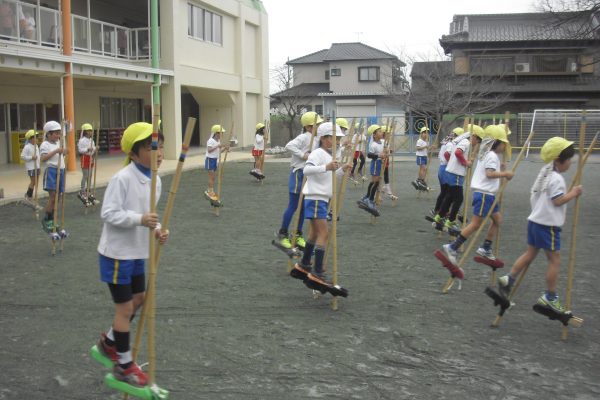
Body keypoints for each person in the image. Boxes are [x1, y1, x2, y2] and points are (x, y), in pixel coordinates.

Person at [94, 122, 169, 387]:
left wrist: (158, 229)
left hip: (139, 251)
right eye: (151, 146)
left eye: (160, 145)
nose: (159, 151)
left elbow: (151, 216)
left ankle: (109, 341)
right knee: (125, 308)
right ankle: (123, 365)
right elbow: (109, 213)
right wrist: (140, 219)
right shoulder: (122, 178)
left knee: (140, 298)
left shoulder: (156, 179)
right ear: (134, 152)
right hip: (116, 254)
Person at [497, 137, 581, 313]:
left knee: (530, 253)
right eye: (569, 160)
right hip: (547, 225)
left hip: (535, 221)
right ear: (559, 159)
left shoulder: (545, 172)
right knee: (554, 259)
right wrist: (573, 193)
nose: (571, 163)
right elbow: (558, 201)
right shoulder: (556, 178)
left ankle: (509, 278)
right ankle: (550, 297)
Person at [441, 125, 514, 265]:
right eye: (503, 143)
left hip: (488, 195)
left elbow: (491, 172)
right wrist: (505, 173)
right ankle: (452, 247)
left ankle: (485, 247)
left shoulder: (486, 154)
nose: (505, 147)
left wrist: (502, 170)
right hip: (484, 194)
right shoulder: (491, 155)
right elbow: (489, 174)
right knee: (475, 224)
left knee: (497, 220)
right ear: (496, 143)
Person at [291, 121, 350, 284]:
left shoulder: (329, 155)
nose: (338, 141)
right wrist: (326, 166)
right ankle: (317, 271)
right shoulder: (317, 153)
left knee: (314, 233)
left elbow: (330, 176)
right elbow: (307, 170)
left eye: (338, 138)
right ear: (324, 138)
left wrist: (341, 169)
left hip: (321, 198)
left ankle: (304, 263)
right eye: (335, 138)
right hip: (316, 197)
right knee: (324, 234)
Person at [276, 111, 322, 251]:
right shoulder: (304, 137)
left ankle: (297, 234)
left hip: (309, 175)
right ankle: (283, 233)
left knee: (303, 207)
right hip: (298, 174)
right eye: (317, 124)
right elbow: (289, 145)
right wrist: (303, 155)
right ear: (308, 127)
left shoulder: (316, 139)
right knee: (294, 205)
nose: (319, 126)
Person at [433, 125, 484, 232]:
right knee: (458, 198)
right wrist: (466, 163)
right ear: (473, 136)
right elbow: (457, 153)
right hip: (456, 173)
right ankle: (451, 221)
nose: (477, 143)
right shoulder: (466, 142)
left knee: (450, 197)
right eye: (478, 140)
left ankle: (439, 217)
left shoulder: (462, 141)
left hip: (453, 172)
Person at [39, 121, 66, 232]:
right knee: (53, 196)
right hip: (51, 171)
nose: (58, 135)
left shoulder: (59, 142)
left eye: (59, 133)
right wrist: (56, 151)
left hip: (61, 170)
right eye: (55, 133)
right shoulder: (45, 144)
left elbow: (63, 154)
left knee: (58, 196)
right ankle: (47, 219)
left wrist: (64, 151)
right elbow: (43, 159)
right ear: (49, 134)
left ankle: (53, 219)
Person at [431, 127, 463, 216]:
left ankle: (440, 209)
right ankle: (440, 210)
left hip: (442, 168)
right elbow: (446, 154)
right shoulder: (450, 144)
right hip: (445, 169)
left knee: (445, 192)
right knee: (447, 192)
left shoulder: (446, 142)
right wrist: (452, 163)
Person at [357, 124, 388, 216]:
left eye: (381, 131)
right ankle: (370, 199)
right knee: (375, 182)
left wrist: (387, 152)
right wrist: (379, 155)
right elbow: (369, 155)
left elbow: (387, 150)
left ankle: (367, 197)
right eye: (379, 131)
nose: (381, 132)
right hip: (375, 163)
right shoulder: (373, 144)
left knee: (376, 182)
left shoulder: (383, 142)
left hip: (380, 163)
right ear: (374, 135)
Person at [204, 124, 228, 203]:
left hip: (214, 160)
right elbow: (209, 150)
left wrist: (225, 148)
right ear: (216, 133)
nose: (222, 135)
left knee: (213, 177)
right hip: (209, 160)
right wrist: (218, 146)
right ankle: (209, 191)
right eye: (221, 133)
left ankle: (211, 190)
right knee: (211, 176)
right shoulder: (211, 140)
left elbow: (219, 152)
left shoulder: (218, 141)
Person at [78, 123, 97, 205]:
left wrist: (95, 149)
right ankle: (82, 191)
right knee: (85, 175)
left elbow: (93, 149)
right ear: (85, 132)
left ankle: (88, 190)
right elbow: (80, 150)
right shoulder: (81, 140)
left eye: (91, 130)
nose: (90, 132)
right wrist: (87, 149)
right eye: (88, 131)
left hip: (91, 158)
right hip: (84, 158)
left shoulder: (92, 140)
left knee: (90, 175)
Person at [20, 129, 40, 201]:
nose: (37, 139)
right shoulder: (27, 147)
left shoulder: (36, 146)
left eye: (37, 137)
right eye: (35, 137)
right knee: (33, 181)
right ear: (31, 139)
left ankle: (33, 195)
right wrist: (31, 157)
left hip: (37, 166)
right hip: (31, 167)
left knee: (36, 182)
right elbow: (22, 156)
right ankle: (28, 195)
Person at [412, 126, 430, 190]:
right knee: (423, 168)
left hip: (424, 156)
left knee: (424, 169)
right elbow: (417, 148)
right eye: (424, 133)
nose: (426, 134)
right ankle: (419, 180)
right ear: (421, 134)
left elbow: (427, 149)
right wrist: (425, 146)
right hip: (420, 156)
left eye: (427, 133)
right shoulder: (419, 141)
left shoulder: (427, 141)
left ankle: (421, 180)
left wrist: (431, 147)